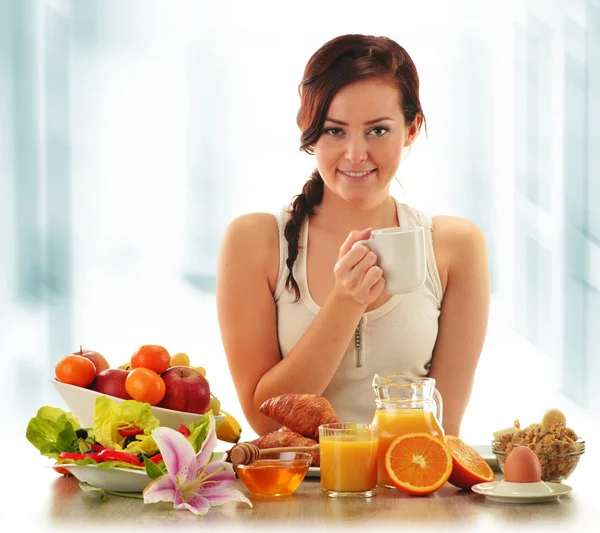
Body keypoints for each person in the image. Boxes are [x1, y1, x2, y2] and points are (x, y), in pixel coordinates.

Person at [216, 34, 490, 438]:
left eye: (378, 131)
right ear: (310, 131)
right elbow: (265, 420)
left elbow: (442, 430)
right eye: (335, 131)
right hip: (293, 495)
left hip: (406, 490)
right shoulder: (254, 241)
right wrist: (346, 302)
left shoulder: (455, 246)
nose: (356, 154)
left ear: (411, 129)